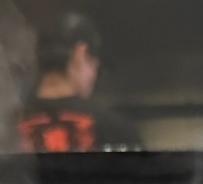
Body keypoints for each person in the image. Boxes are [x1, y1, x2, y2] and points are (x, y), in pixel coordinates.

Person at [18, 12, 141, 153]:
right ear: (80, 54)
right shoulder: (115, 130)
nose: (94, 75)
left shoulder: (12, 127)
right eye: (95, 65)